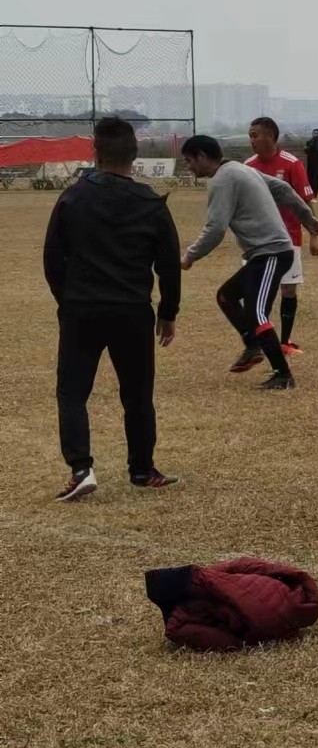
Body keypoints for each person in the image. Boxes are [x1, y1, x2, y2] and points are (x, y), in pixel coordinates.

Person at [43, 116, 182, 500]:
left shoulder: (72, 197)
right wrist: (167, 312)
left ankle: (81, 468)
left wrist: (66, 300)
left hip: (82, 311)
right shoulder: (152, 203)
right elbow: (168, 264)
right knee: (137, 394)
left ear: (95, 151)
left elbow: (53, 258)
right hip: (132, 312)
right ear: (134, 155)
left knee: (72, 392)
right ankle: (142, 469)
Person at [180, 135, 318, 390]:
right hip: (263, 254)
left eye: (189, 161)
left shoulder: (222, 180)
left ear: (202, 156)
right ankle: (252, 345)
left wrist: (189, 256)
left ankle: (283, 375)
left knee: (257, 313)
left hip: (271, 252)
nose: (188, 167)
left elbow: (215, 229)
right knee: (226, 296)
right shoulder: (241, 169)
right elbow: (282, 189)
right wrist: (307, 218)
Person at [245, 117, 318, 357]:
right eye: (250, 135)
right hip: (257, 242)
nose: (252, 140)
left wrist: (314, 236)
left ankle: (285, 342)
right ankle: (258, 343)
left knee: (288, 290)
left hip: (289, 239)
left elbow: (305, 202)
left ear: (271, 136)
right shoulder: (248, 166)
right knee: (254, 294)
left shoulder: (291, 164)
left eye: (255, 135)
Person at [304, 129, 318, 196]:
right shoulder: (308, 142)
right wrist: (311, 145)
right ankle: (310, 194)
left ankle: (315, 195)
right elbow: (306, 151)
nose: (316, 135)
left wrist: (315, 144)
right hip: (310, 165)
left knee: (316, 180)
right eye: (314, 133)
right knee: (309, 180)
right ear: (312, 134)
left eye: (317, 133)